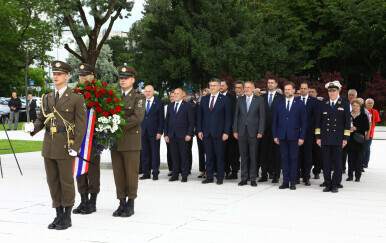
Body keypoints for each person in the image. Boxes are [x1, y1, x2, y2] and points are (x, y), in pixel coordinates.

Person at [24, 60, 87, 230]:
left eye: (59, 74)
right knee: (52, 181)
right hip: (49, 145)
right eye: (54, 74)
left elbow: (81, 125)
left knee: (65, 181)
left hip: (66, 145)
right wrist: (32, 128)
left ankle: (67, 216)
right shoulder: (47, 97)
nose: (56, 77)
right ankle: (58, 214)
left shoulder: (76, 98)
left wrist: (76, 147)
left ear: (67, 76)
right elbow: (42, 118)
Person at [110, 65, 145, 217]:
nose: (123, 80)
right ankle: (121, 202)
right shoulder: (114, 96)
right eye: (121, 78)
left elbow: (137, 117)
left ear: (133, 80)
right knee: (118, 173)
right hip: (116, 141)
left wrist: (117, 126)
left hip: (130, 141)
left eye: (126, 78)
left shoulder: (139, 97)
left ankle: (130, 203)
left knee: (131, 173)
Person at [72, 63, 101, 215]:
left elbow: (106, 114)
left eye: (85, 74)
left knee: (93, 170)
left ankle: (92, 201)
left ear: (92, 76)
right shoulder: (74, 93)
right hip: (78, 138)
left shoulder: (100, 93)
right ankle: (83, 200)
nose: (82, 77)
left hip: (93, 138)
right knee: (79, 169)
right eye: (80, 75)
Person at [316, 81, 350, 193]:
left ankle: (335, 184)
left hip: (338, 139)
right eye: (330, 91)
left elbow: (347, 123)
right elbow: (318, 122)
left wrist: (345, 138)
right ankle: (327, 183)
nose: (332, 93)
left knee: (338, 163)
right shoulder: (323, 103)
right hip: (325, 138)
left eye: (334, 91)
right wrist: (318, 137)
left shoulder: (344, 104)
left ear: (338, 91)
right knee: (326, 163)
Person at [273, 82, 307, 190]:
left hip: (295, 136)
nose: (287, 91)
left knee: (293, 159)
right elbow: (275, 121)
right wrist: (275, 135)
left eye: (289, 89)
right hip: (282, 136)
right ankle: (285, 181)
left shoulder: (300, 103)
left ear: (293, 90)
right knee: (284, 159)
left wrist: (302, 137)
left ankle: (293, 181)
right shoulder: (279, 103)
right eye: (285, 89)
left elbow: (304, 122)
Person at [197, 78, 231, 185]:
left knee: (220, 156)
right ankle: (209, 176)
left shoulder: (225, 99)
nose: (212, 87)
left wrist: (226, 132)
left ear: (219, 86)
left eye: (214, 85)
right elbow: (200, 116)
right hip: (206, 132)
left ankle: (220, 176)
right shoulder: (204, 99)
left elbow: (228, 118)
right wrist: (199, 130)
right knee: (209, 156)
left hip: (219, 133)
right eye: (211, 85)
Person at [233, 81, 265, 187]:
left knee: (253, 156)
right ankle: (243, 178)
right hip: (242, 132)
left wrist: (260, 131)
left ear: (253, 88)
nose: (246, 89)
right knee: (243, 156)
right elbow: (236, 116)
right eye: (245, 87)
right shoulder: (240, 100)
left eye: (248, 87)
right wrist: (235, 131)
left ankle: (252, 178)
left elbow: (262, 117)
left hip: (254, 132)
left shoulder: (260, 100)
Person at [164, 88, 194, 182]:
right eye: (174, 93)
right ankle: (175, 174)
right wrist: (166, 134)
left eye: (178, 93)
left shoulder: (188, 106)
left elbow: (191, 122)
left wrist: (189, 133)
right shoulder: (170, 106)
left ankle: (184, 175)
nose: (176, 95)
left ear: (182, 95)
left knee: (184, 155)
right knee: (174, 155)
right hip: (172, 135)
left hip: (183, 135)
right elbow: (166, 121)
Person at [260, 78, 284, 183]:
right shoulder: (261, 97)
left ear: (276, 84)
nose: (270, 84)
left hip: (277, 130)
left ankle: (276, 176)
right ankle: (264, 175)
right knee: (263, 153)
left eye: (272, 83)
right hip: (264, 130)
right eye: (268, 83)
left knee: (276, 154)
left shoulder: (281, 97)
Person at [140, 85, 164, 180]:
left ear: (153, 92)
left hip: (154, 133)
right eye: (146, 91)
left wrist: (160, 132)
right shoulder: (140, 103)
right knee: (145, 153)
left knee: (155, 153)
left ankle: (155, 172)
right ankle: (146, 173)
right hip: (143, 132)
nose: (148, 93)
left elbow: (162, 119)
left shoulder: (159, 103)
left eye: (150, 91)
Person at [297, 82, 319, 186]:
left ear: (308, 89)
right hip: (296, 133)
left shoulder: (314, 101)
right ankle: (296, 177)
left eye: (305, 88)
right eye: (301, 88)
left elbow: (315, 117)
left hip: (309, 133)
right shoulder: (295, 100)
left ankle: (306, 177)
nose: (303, 90)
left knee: (308, 156)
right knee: (297, 155)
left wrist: (304, 127)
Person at [220, 79, 239, 179]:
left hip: (230, 130)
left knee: (232, 152)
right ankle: (225, 170)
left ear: (227, 87)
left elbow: (233, 112)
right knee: (222, 152)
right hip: (219, 129)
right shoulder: (216, 97)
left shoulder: (232, 98)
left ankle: (234, 171)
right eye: (220, 85)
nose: (221, 87)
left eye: (223, 85)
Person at [347, 99, 369, 182]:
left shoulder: (363, 115)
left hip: (359, 140)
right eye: (353, 106)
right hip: (350, 140)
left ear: (360, 107)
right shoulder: (349, 115)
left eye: (357, 106)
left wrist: (356, 128)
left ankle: (357, 176)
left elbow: (366, 127)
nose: (355, 107)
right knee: (350, 159)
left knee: (359, 159)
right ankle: (350, 176)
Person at [364, 98, 381, 168]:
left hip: (370, 133)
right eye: (369, 103)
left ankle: (366, 162)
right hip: (361, 132)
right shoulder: (363, 111)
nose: (370, 104)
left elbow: (376, 121)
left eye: (371, 103)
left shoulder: (375, 112)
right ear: (365, 104)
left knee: (367, 148)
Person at [196, 89, 209, 178]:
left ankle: (208, 170)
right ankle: (202, 170)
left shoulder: (211, 104)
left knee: (208, 152)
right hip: (200, 131)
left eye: (205, 95)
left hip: (208, 131)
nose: (203, 96)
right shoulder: (198, 104)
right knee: (201, 152)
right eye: (202, 95)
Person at [165, 91, 175, 176]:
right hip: (169, 133)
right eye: (171, 96)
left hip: (178, 133)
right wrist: (165, 134)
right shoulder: (166, 107)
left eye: (173, 96)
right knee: (169, 151)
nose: (172, 98)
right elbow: (165, 121)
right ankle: (171, 169)